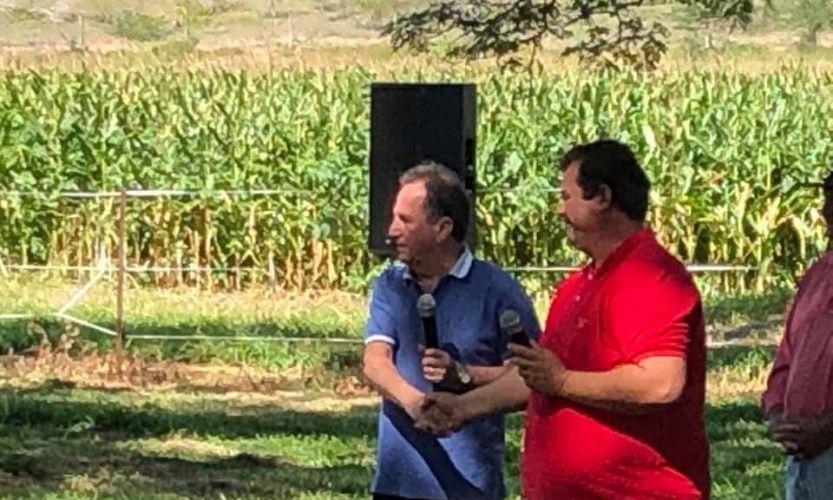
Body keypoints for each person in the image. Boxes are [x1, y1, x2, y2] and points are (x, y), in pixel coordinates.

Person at [419, 140, 710, 498]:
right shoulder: (577, 284)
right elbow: (537, 379)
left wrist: (563, 380)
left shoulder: (653, 277)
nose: (560, 209)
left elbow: (660, 384)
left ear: (602, 197)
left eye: (567, 195)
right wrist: (462, 407)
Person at [362, 161, 540, 499]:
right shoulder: (391, 285)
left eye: (405, 220)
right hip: (397, 485)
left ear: (443, 228)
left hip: (468, 485)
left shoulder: (499, 292)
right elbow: (375, 361)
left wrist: (465, 376)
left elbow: (531, 378)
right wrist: (417, 404)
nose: (392, 230)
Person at [762, 170, 833, 500]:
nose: (825, 212)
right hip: (802, 454)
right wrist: (779, 415)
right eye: (825, 201)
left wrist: (826, 429)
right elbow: (787, 355)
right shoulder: (819, 274)